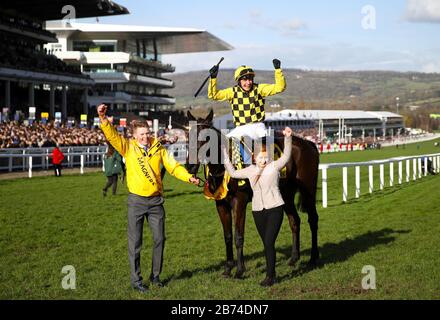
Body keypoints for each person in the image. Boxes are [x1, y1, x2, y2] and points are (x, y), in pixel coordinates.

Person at [97, 104, 200, 293]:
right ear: (134, 136)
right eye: (141, 134)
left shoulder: (158, 148)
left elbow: (173, 166)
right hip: (136, 201)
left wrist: (189, 177)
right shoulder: (127, 147)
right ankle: (136, 280)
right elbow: (112, 136)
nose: (145, 137)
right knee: (135, 243)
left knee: (159, 239)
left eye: (147, 133)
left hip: (155, 202)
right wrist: (103, 119)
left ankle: (155, 276)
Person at [222, 126, 292, 287]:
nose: (264, 160)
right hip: (258, 211)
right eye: (260, 157)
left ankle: (270, 276)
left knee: (268, 243)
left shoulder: (274, 166)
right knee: (267, 244)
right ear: (254, 157)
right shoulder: (250, 171)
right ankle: (271, 273)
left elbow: (287, 155)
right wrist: (225, 153)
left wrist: (288, 138)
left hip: (275, 208)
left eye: (266, 157)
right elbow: (232, 173)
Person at [208, 59, 286, 141]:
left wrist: (278, 70)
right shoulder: (232, 92)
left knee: (266, 145)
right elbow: (213, 95)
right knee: (224, 144)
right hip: (240, 128)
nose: (248, 83)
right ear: (239, 81)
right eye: (245, 80)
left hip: (258, 127)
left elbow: (280, 87)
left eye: (250, 79)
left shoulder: (260, 89)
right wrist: (213, 78)